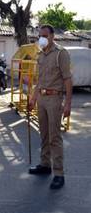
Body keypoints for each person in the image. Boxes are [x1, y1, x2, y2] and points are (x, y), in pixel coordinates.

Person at [28, 24, 72, 190]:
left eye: (45, 35)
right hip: (42, 98)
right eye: (40, 35)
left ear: (53, 36)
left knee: (55, 137)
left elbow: (68, 79)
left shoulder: (61, 54)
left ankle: (59, 174)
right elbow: (39, 80)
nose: (42, 38)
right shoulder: (41, 55)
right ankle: (45, 165)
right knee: (44, 134)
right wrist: (33, 98)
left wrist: (68, 104)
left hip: (55, 99)